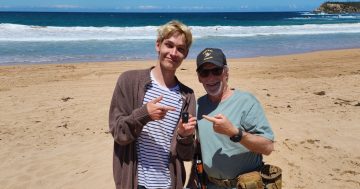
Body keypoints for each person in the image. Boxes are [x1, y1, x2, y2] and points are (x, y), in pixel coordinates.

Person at [108, 20, 197, 189]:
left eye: (180, 49)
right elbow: (119, 133)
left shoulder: (187, 96)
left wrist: (184, 136)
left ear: (185, 55)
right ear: (158, 45)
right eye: (169, 45)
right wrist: (143, 115)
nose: (173, 53)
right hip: (134, 183)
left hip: (170, 183)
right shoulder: (129, 81)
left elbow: (186, 155)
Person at [188, 48, 276, 189]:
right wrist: (192, 180)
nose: (211, 78)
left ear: (226, 72)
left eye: (216, 71)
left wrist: (234, 133)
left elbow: (268, 147)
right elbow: (199, 148)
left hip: (246, 185)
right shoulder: (198, 105)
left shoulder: (246, 102)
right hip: (210, 184)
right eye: (205, 73)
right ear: (199, 77)